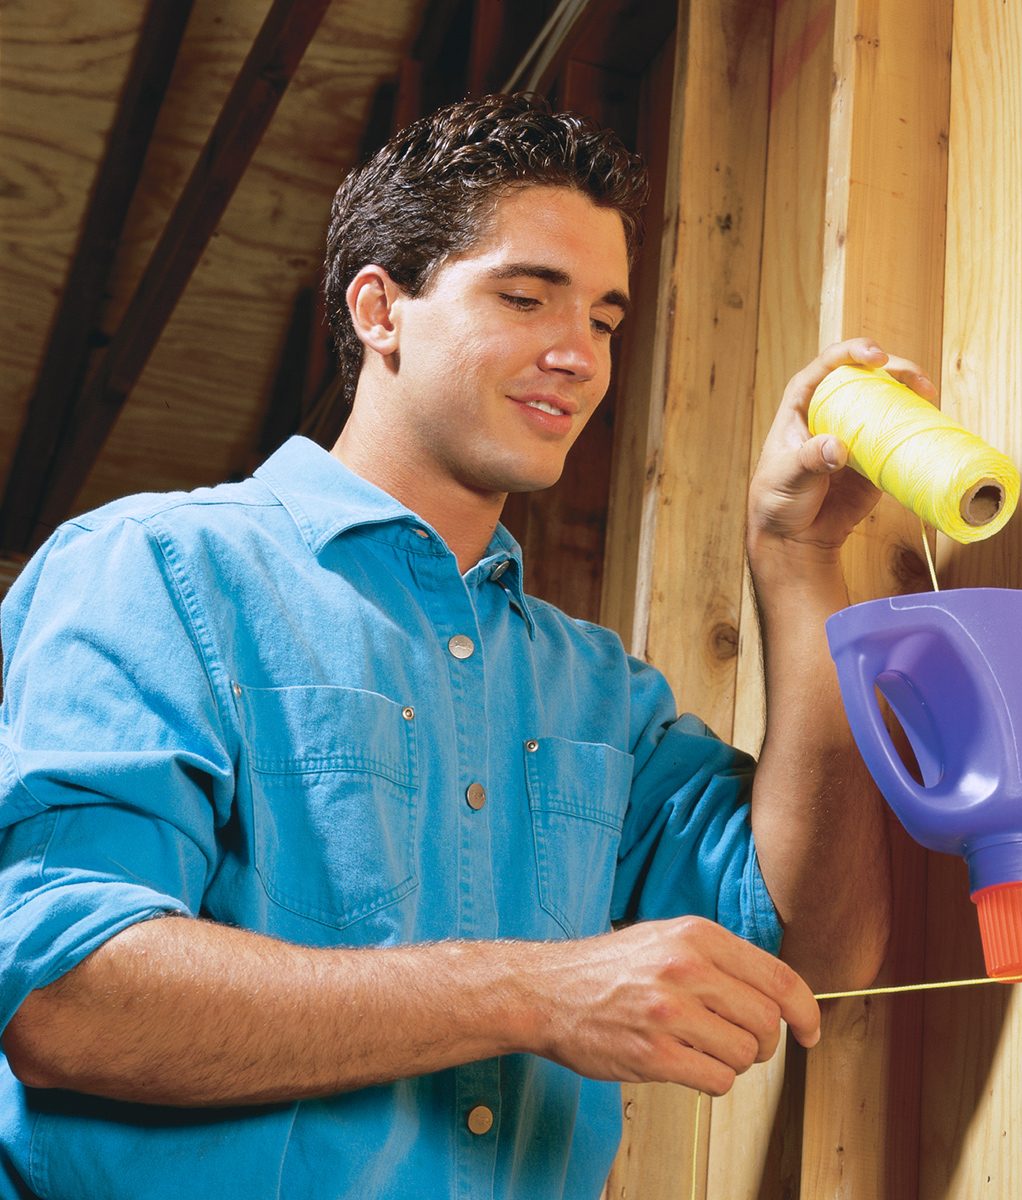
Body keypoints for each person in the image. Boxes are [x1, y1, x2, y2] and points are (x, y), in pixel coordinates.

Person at [0, 93, 930, 1199]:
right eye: (528, 296)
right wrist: (534, 993)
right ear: (380, 310)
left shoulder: (600, 695)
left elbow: (815, 948)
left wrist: (794, 562)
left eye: (605, 319)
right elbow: (63, 995)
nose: (578, 354)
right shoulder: (155, 570)